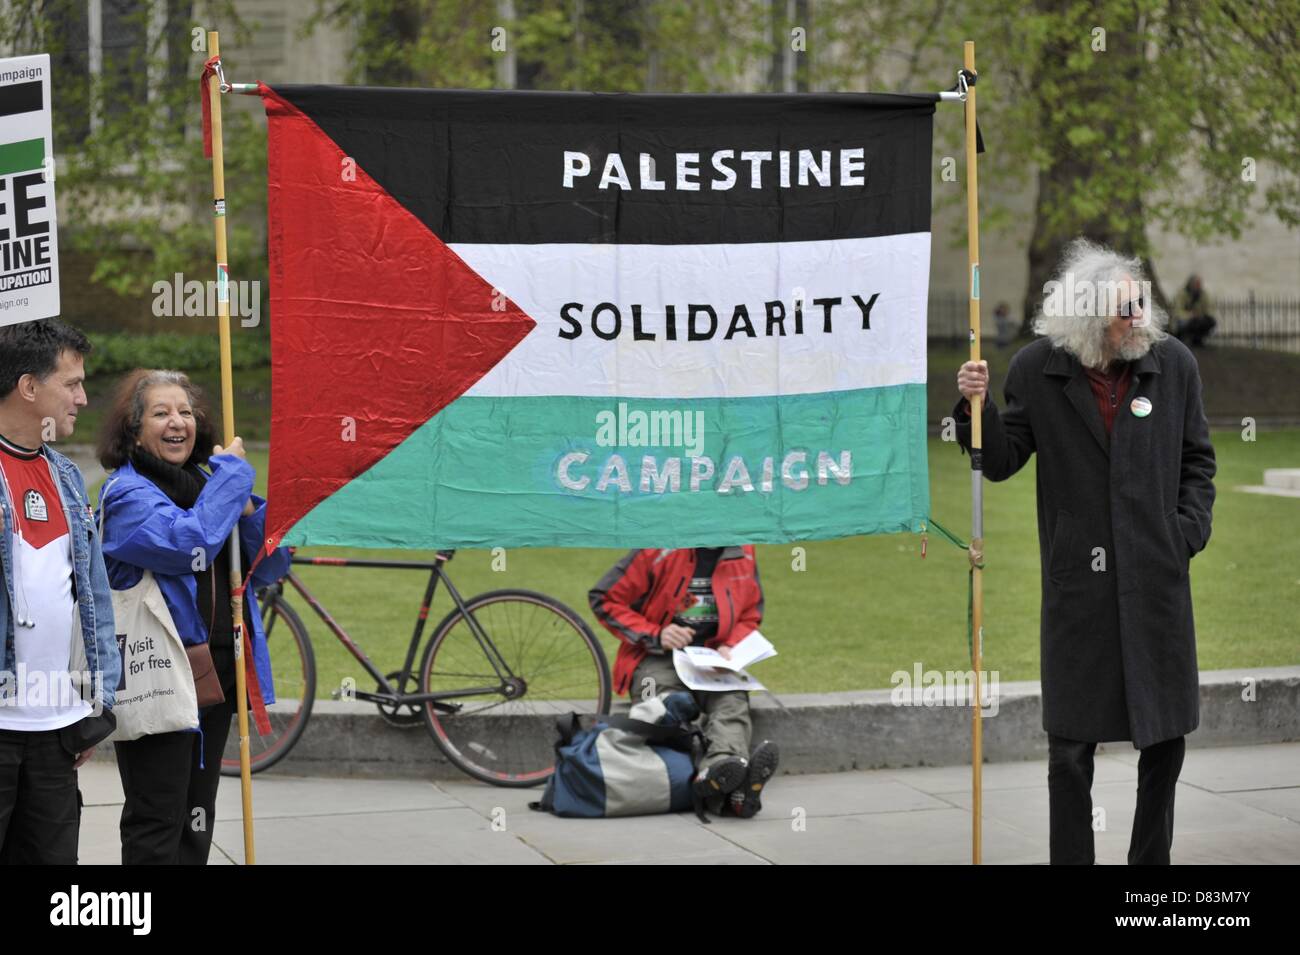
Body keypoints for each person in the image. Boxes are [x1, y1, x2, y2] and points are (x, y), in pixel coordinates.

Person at [953, 238, 1216, 865]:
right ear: (1086, 314)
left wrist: (1184, 533)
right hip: (1080, 587)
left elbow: (1198, 461)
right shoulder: (1039, 369)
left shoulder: (1173, 364)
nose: (1138, 319)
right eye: (1124, 309)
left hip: (1156, 581)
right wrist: (974, 406)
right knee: (1070, 752)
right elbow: (1001, 459)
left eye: (1140, 304)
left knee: (1165, 743)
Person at [96, 369, 288, 864]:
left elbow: (271, 566)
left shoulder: (211, 486)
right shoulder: (125, 496)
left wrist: (246, 511)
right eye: (160, 413)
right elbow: (188, 544)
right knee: (157, 815)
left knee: (196, 812)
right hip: (158, 671)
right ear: (135, 430)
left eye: (185, 411)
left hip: (216, 673)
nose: (176, 421)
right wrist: (232, 481)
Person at [0, 319, 121, 865]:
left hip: (56, 732)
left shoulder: (68, 476)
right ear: (29, 388)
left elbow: (91, 595)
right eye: (71, 384)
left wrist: (95, 702)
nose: (82, 397)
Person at [589, 546, 779, 818]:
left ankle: (721, 771)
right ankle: (729, 792)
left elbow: (750, 613)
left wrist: (732, 646)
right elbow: (604, 598)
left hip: (713, 659)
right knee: (663, 706)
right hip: (656, 657)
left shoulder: (744, 552)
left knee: (733, 703)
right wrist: (657, 634)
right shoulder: (656, 548)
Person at [1172, 274, 1216, 347]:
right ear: (1191, 284)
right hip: (1185, 319)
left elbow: (1209, 309)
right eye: (1196, 284)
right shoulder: (1182, 294)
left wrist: (1202, 315)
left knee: (1209, 321)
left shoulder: (1203, 294)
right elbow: (1178, 312)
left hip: (1198, 319)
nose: (1198, 286)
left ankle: (1197, 339)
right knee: (1185, 323)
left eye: (1199, 284)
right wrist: (1191, 315)